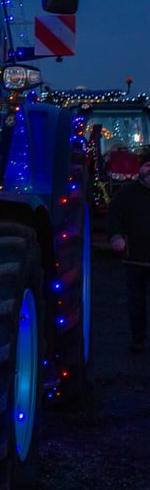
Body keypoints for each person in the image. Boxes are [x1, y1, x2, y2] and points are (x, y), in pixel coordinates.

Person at [106, 151, 150, 353]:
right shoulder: (126, 193)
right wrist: (116, 236)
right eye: (148, 165)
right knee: (136, 302)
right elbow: (114, 216)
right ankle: (138, 340)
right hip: (135, 258)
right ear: (141, 168)